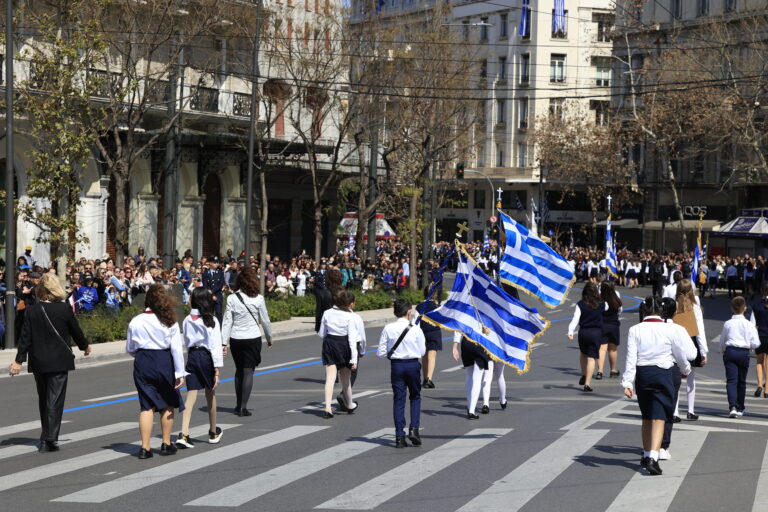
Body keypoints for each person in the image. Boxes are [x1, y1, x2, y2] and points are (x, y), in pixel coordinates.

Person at [8, 274, 91, 452]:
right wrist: (84, 346)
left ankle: (46, 433)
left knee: (44, 398)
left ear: (40, 291)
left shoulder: (32, 310)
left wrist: (18, 360)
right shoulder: (64, 309)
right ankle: (49, 439)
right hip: (59, 360)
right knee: (55, 399)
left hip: (39, 360)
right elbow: (75, 331)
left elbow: (25, 338)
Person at [621, 296, 695, 475]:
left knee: (647, 416)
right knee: (660, 416)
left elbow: (631, 358)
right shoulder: (670, 329)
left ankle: (647, 453)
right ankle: (653, 457)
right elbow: (680, 354)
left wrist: (627, 382)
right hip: (663, 373)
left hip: (643, 375)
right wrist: (686, 369)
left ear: (644, 311)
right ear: (660, 311)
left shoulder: (634, 329)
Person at [125, 284, 185, 459]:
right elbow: (176, 349)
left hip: (143, 361)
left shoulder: (136, 321)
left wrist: (142, 355)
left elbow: (130, 348)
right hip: (163, 361)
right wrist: (180, 373)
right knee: (168, 402)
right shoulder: (169, 321)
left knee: (146, 405)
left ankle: (145, 448)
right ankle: (166, 443)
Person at [176, 288, 224, 449]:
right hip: (206, 357)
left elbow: (186, 341)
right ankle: (213, 431)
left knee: (191, 395)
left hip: (192, 357)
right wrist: (217, 367)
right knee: (210, 393)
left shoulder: (188, 319)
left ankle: (184, 433)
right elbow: (216, 345)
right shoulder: (212, 320)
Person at [221, 267, 273, 417]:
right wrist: (269, 338)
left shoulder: (232, 298)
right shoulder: (259, 298)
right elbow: (265, 320)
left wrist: (224, 343)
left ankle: (238, 405)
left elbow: (227, 322)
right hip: (252, 338)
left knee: (239, 370)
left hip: (236, 338)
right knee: (248, 371)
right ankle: (243, 407)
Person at [377, 298, 426, 448]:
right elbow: (423, 351)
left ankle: (399, 436)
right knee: (415, 397)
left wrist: (393, 353)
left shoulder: (388, 328)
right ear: (409, 312)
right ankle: (414, 429)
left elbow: (381, 352)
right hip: (412, 365)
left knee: (399, 400)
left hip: (397, 365)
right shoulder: (416, 328)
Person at [318, 290, 360, 418]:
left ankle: (327, 407)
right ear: (348, 304)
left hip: (330, 343)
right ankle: (349, 404)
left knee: (330, 377)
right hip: (344, 345)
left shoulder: (327, 313)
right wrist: (354, 359)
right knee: (345, 379)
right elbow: (352, 339)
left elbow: (321, 333)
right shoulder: (350, 316)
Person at [672, 279, 707, 421]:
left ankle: (674, 412)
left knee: (676, 379)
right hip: (691, 343)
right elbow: (700, 331)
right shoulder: (695, 308)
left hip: (676, 343)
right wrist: (704, 352)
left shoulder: (674, 306)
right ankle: (690, 410)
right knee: (691, 378)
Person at [720, 296, 761, 418]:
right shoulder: (748, 324)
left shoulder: (728, 324)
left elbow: (722, 341)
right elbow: (756, 343)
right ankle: (740, 407)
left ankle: (732, 406)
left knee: (731, 380)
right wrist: (750, 345)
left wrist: (723, 350)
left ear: (732, 309)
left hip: (730, 351)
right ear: (745, 309)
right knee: (741, 381)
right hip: (743, 352)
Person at [567, 282, 604, 392]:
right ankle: (587, 383)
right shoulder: (602, 303)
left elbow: (575, 319)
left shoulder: (580, 304)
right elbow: (609, 309)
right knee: (591, 358)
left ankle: (583, 374)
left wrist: (570, 331)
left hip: (583, 332)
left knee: (583, 353)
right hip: (596, 332)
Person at [452, 331, 491, 418]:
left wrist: (455, 346)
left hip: (466, 343)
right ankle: (472, 411)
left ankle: (469, 405)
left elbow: (458, 327)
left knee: (469, 375)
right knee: (477, 378)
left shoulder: (466, 316)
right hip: (479, 343)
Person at [417, 286, 442, 389]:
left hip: (422, 332)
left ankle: (424, 378)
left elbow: (416, 321)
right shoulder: (437, 307)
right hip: (434, 332)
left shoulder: (419, 306)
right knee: (432, 356)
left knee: (424, 356)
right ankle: (429, 378)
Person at [597, 281, 622, 379]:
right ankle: (613, 370)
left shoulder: (599, 298)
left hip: (602, 324)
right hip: (613, 324)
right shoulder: (616, 296)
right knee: (612, 348)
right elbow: (620, 310)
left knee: (602, 349)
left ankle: (600, 371)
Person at [750, 282, 768, 398]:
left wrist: (751, 341)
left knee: (759, 362)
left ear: (762, 291)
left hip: (760, 336)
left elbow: (752, 324)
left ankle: (759, 385)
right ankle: (767, 390)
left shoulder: (756, 305)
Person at [202, 256, 225, 322]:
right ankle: (210, 328)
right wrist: (211, 295)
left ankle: (220, 329)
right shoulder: (205, 273)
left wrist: (212, 292)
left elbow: (220, 284)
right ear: (210, 263)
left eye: (217, 262)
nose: (216, 264)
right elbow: (205, 284)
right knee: (209, 313)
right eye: (215, 262)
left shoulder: (220, 273)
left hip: (218, 296)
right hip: (209, 296)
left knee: (219, 313)